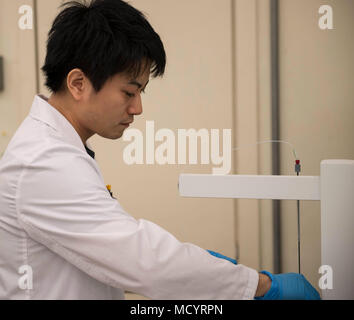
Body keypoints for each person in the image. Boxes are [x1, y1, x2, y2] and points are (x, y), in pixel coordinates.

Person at [0, 0, 320, 300]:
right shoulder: (43, 162)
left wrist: (206, 268)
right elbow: (145, 262)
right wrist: (261, 285)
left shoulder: (57, 150)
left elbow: (125, 250)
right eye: (129, 91)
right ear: (78, 83)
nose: (137, 108)